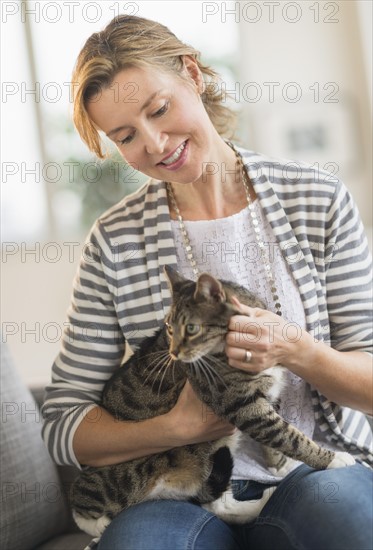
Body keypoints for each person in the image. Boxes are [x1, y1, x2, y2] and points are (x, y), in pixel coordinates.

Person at [42, 14, 373, 550]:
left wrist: (298, 350)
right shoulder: (114, 240)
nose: (154, 143)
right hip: (173, 491)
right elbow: (62, 424)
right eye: (125, 136)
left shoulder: (317, 199)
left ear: (192, 74)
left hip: (311, 474)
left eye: (159, 109)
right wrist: (176, 429)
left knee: (358, 528)